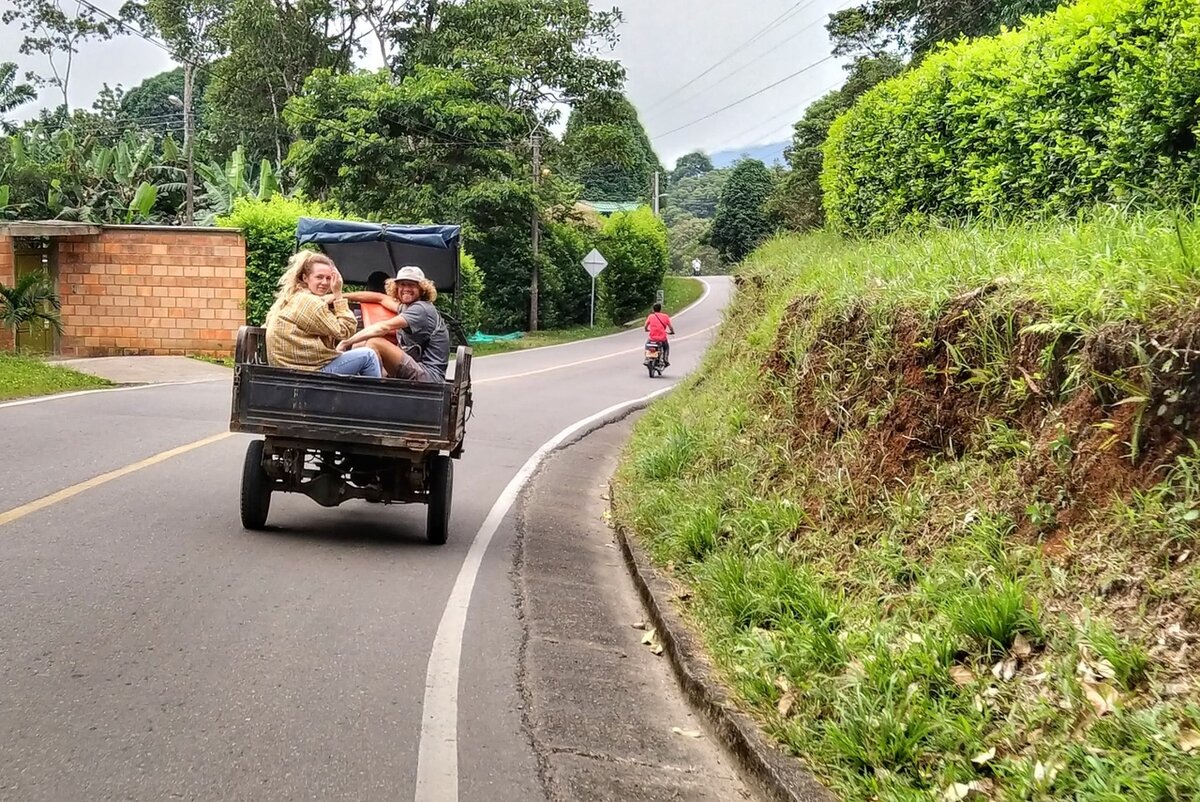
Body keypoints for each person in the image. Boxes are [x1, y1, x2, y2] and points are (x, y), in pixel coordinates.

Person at [264, 250, 382, 378]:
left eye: (329, 278)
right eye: (319, 277)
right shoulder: (309, 302)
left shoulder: (295, 297)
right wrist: (338, 294)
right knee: (368, 356)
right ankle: (375, 398)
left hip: (292, 369)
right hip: (307, 373)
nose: (325, 283)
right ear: (305, 278)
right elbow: (345, 330)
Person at [338, 265, 450, 383]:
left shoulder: (421, 309)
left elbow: (383, 327)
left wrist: (346, 342)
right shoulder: (407, 307)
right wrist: (337, 297)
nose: (406, 288)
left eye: (411, 285)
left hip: (429, 376)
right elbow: (379, 298)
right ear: (396, 288)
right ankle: (351, 385)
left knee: (374, 342)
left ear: (422, 289)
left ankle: (374, 391)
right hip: (417, 367)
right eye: (402, 284)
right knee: (359, 344)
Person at [644, 302, 675, 367]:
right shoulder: (665, 316)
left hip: (652, 338)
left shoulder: (651, 316)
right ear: (660, 309)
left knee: (647, 345)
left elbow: (645, 326)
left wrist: (646, 330)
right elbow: (670, 327)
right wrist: (672, 331)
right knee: (666, 347)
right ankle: (665, 359)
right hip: (662, 338)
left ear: (653, 309)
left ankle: (647, 358)